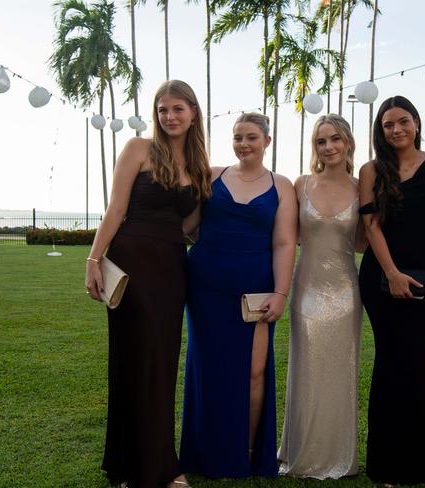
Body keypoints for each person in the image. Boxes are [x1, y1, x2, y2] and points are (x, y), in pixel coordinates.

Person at [85, 80, 211, 488]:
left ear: (193, 112)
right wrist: (93, 260)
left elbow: (190, 226)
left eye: (177, 109)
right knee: (135, 361)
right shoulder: (138, 149)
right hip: (132, 264)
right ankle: (143, 467)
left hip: (172, 269)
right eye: (162, 110)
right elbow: (115, 209)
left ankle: (141, 462)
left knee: (161, 364)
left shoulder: (198, 165)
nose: (169, 117)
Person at [180, 112, 297, 479]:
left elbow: (283, 242)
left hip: (257, 289)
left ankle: (245, 451)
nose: (243, 144)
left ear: (267, 141)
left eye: (250, 137)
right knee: (209, 368)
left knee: (254, 371)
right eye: (237, 137)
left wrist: (280, 292)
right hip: (205, 287)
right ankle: (207, 452)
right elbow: (188, 227)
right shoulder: (212, 175)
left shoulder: (282, 185)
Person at [357, 95, 425, 486]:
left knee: (416, 364)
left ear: (416, 122)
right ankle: (386, 466)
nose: (396, 130)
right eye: (387, 125)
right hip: (380, 277)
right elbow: (372, 227)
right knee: (391, 362)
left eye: (402, 122)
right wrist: (392, 272)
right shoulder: (371, 170)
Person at [278, 114, 366, 479]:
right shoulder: (301, 185)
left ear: (347, 142)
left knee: (340, 372)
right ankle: (300, 451)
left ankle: (338, 455)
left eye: (334, 139)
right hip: (307, 288)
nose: (328, 147)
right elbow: (286, 238)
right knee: (306, 369)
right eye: (320, 141)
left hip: (346, 291)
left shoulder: (363, 187)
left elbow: (363, 241)